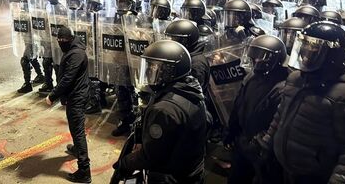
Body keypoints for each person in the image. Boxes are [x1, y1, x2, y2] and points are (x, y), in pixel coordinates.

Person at [259, 21, 345, 184]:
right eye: (305, 47)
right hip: (284, 168)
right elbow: (281, 115)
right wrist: (267, 143)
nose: (306, 55)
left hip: (314, 177)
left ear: (332, 57)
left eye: (314, 50)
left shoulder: (343, 95)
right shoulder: (296, 78)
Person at [112, 40, 207, 183]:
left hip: (172, 176)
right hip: (192, 169)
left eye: (154, 68)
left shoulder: (164, 109)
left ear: (170, 72)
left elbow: (151, 156)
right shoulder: (190, 89)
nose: (150, 72)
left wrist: (124, 164)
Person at [224, 35, 290, 184]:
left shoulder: (283, 87)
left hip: (262, 151)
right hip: (243, 142)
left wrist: (259, 145)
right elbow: (239, 105)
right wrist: (231, 131)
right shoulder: (251, 77)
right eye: (254, 57)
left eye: (261, 58)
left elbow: (278, 123)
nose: (256, 61)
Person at [45, 26, 91, 183]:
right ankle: (78, 150)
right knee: (75, 127)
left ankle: (84, 171)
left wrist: (53, 95)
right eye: (58, 40)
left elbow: (68, 78)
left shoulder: (76, 54)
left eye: (63, 40)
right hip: (75, 95)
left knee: (77, 132)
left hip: (77, 97)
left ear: (71, 39)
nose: (60, 43)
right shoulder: (73, 49)